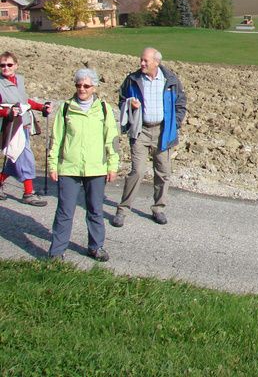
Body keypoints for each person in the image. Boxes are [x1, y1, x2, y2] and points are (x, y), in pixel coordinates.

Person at [47, 68, 119, 261]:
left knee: (95, 209)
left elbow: (111, 139)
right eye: (78, 85)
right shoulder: (65, 108)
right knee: (65, 211)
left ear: (94, 87)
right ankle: (56, 251)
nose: (82, 89)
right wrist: (52, 164)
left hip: (96, 167)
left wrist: (113, 165)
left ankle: (96, 247)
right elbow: (56, 139)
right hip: (69, 167)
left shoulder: (104, 109)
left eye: (86, 86)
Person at [112, 47, 186, 227]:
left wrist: (174, 123)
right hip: (140, 131)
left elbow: (181, 103)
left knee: (163, 172)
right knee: (137, 171)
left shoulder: (171, 81)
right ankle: (123, 210)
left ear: (156, 62)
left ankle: (158, 209)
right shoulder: (133, 80)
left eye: (145, 61)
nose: (142, 63)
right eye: (141, 60)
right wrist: (130, 104)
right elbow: (122, 99)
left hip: (163, 131)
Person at [0, 51, 53, 206]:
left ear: (16, 65)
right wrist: (7, 112)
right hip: (10, 126)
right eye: (2, 65)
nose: (6, 68)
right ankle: (28, 193)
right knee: (25, 158)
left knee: (14, 157)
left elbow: (24, 100)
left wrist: (41, 107)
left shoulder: (19, 80)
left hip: (23, 124)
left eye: (9, 64)